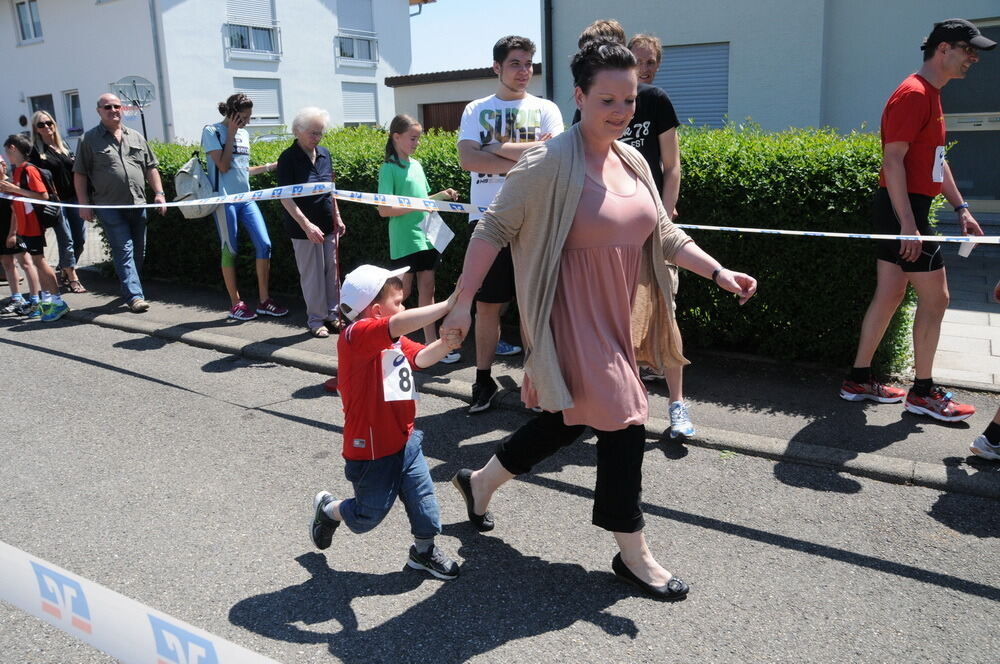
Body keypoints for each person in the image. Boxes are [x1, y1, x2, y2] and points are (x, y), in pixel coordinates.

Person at [442, 40, 757, 599]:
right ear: (580, 97)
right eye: (607, 98)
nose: (621, 110)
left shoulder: (633, 161)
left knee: (571, 417)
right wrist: (462, 302)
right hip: (567, 314)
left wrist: (718, 271)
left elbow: (662, 234)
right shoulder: (547, 161)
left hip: (616, 315)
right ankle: (633, 551)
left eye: (630, 100)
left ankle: (481, 481)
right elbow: (491, 229)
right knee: (625, 415)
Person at [840, 19, 993, 422]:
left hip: (905, 208)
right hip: (902, 208)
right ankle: (922, 393)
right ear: (944, 49)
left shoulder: (932, 94)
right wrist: (908, 224)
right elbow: (892, 160)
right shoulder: (912, 94)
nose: (973, 58)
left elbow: (937, 164)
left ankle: (857, 379)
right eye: (968, 49)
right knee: (937, 298)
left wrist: (962, 209)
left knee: (889, 295)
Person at [310, 264, 464, 580]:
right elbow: (397, 324)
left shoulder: (393, 342)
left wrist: (445, 344)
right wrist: (447, 306)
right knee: (368, 516)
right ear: (378, 312)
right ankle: (329, 510)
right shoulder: (353, 337)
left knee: (424, 500)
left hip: (406, 440)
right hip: (370, 452)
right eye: (399, 301)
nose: (404, 307)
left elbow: (420, 358)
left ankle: (424, 553)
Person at [457, 35, 564, 413]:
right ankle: (483, 381)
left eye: (528, 63)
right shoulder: (475, 109)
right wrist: (525, 158)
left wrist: (492, 148)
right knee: (486, 307)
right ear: (497, 67)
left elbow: (553, 159)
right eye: (516, 63)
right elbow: (468, 160)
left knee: (536, 307)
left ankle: (534, 384)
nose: (524, 71)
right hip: (487, 221)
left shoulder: (546, 108)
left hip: (537, 221)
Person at [378, 113, 460, 361]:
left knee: (428, 289)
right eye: (413, 138)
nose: (417, 143)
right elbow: (384, 210)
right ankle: (386, 340)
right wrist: (417, 206)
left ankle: (431, 344)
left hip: (426, 235)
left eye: (418, 139)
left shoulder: (417, 165)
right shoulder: (388, 168)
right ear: (396, 137)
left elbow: (423, 201)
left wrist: (442, 195)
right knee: (400, 294)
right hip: (405, 239)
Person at [74, 93, 166, 313]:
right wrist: (84, 203)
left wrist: (159, 193)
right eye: (108, 107)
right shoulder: (88, 140)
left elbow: (151, 167)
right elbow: (80, 174)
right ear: (99, 111)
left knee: (138, 252)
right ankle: (134, 296)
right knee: (123, 249)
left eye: (117, 106)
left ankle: (131, 286)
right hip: (109, 207)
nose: (113, 110)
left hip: (138, 204)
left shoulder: (136, 136)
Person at [202, 93, 288, 321]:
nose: (248, 121)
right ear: (232, 114)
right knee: (230, 248)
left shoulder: (244, 134)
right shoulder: (212, 131)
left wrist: (270, 167)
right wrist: (230, 133)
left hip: (246, 198)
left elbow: (240, 170)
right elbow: (222, 165)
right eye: (244, 117)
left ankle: (264, 300)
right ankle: (235, 302)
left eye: (249, 117)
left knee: (265, 244)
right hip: (224, 200)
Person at [277, 107, 344, 338]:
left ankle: (333, 315)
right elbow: (285, 196)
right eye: (313, 133)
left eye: (320, 133)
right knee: (312, 274)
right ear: (297, 131)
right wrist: (306, 225)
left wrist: (338, 215)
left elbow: (330, 190)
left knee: (332, 271)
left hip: (327, 223)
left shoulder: (325, 154)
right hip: (302, 228)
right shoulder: (287, 158)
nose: (317, 138)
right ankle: (316, 319)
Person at [0, 134, 69, 322]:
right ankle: (47, 301)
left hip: (33, 224)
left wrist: (14, 190)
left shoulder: (29, 170)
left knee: (40, 262)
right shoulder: (19, 170)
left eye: (7, 152)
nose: (6, 156)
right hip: (25, 225)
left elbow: (43, 196)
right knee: (38, 262)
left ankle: (58, 302)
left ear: (13, 148)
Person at [29, 110, 86, 293]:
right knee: (66, 239)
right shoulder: (36, 152)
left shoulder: (64, 146)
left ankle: (64, 268)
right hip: (56, 202)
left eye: (49, 123)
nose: (46, 127)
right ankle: (72, 277)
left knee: (80, 240)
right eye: (41, 125)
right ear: (36, 129)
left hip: (74, 199)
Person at [0, 157, 38, 316]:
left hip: (15, 231)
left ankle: (35, 299)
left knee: (26, 263)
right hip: (1, 231)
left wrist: (13, 234)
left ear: (3, 165)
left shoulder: (10, 185)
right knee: (7, 263)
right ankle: (17, 298)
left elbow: (16, 211)